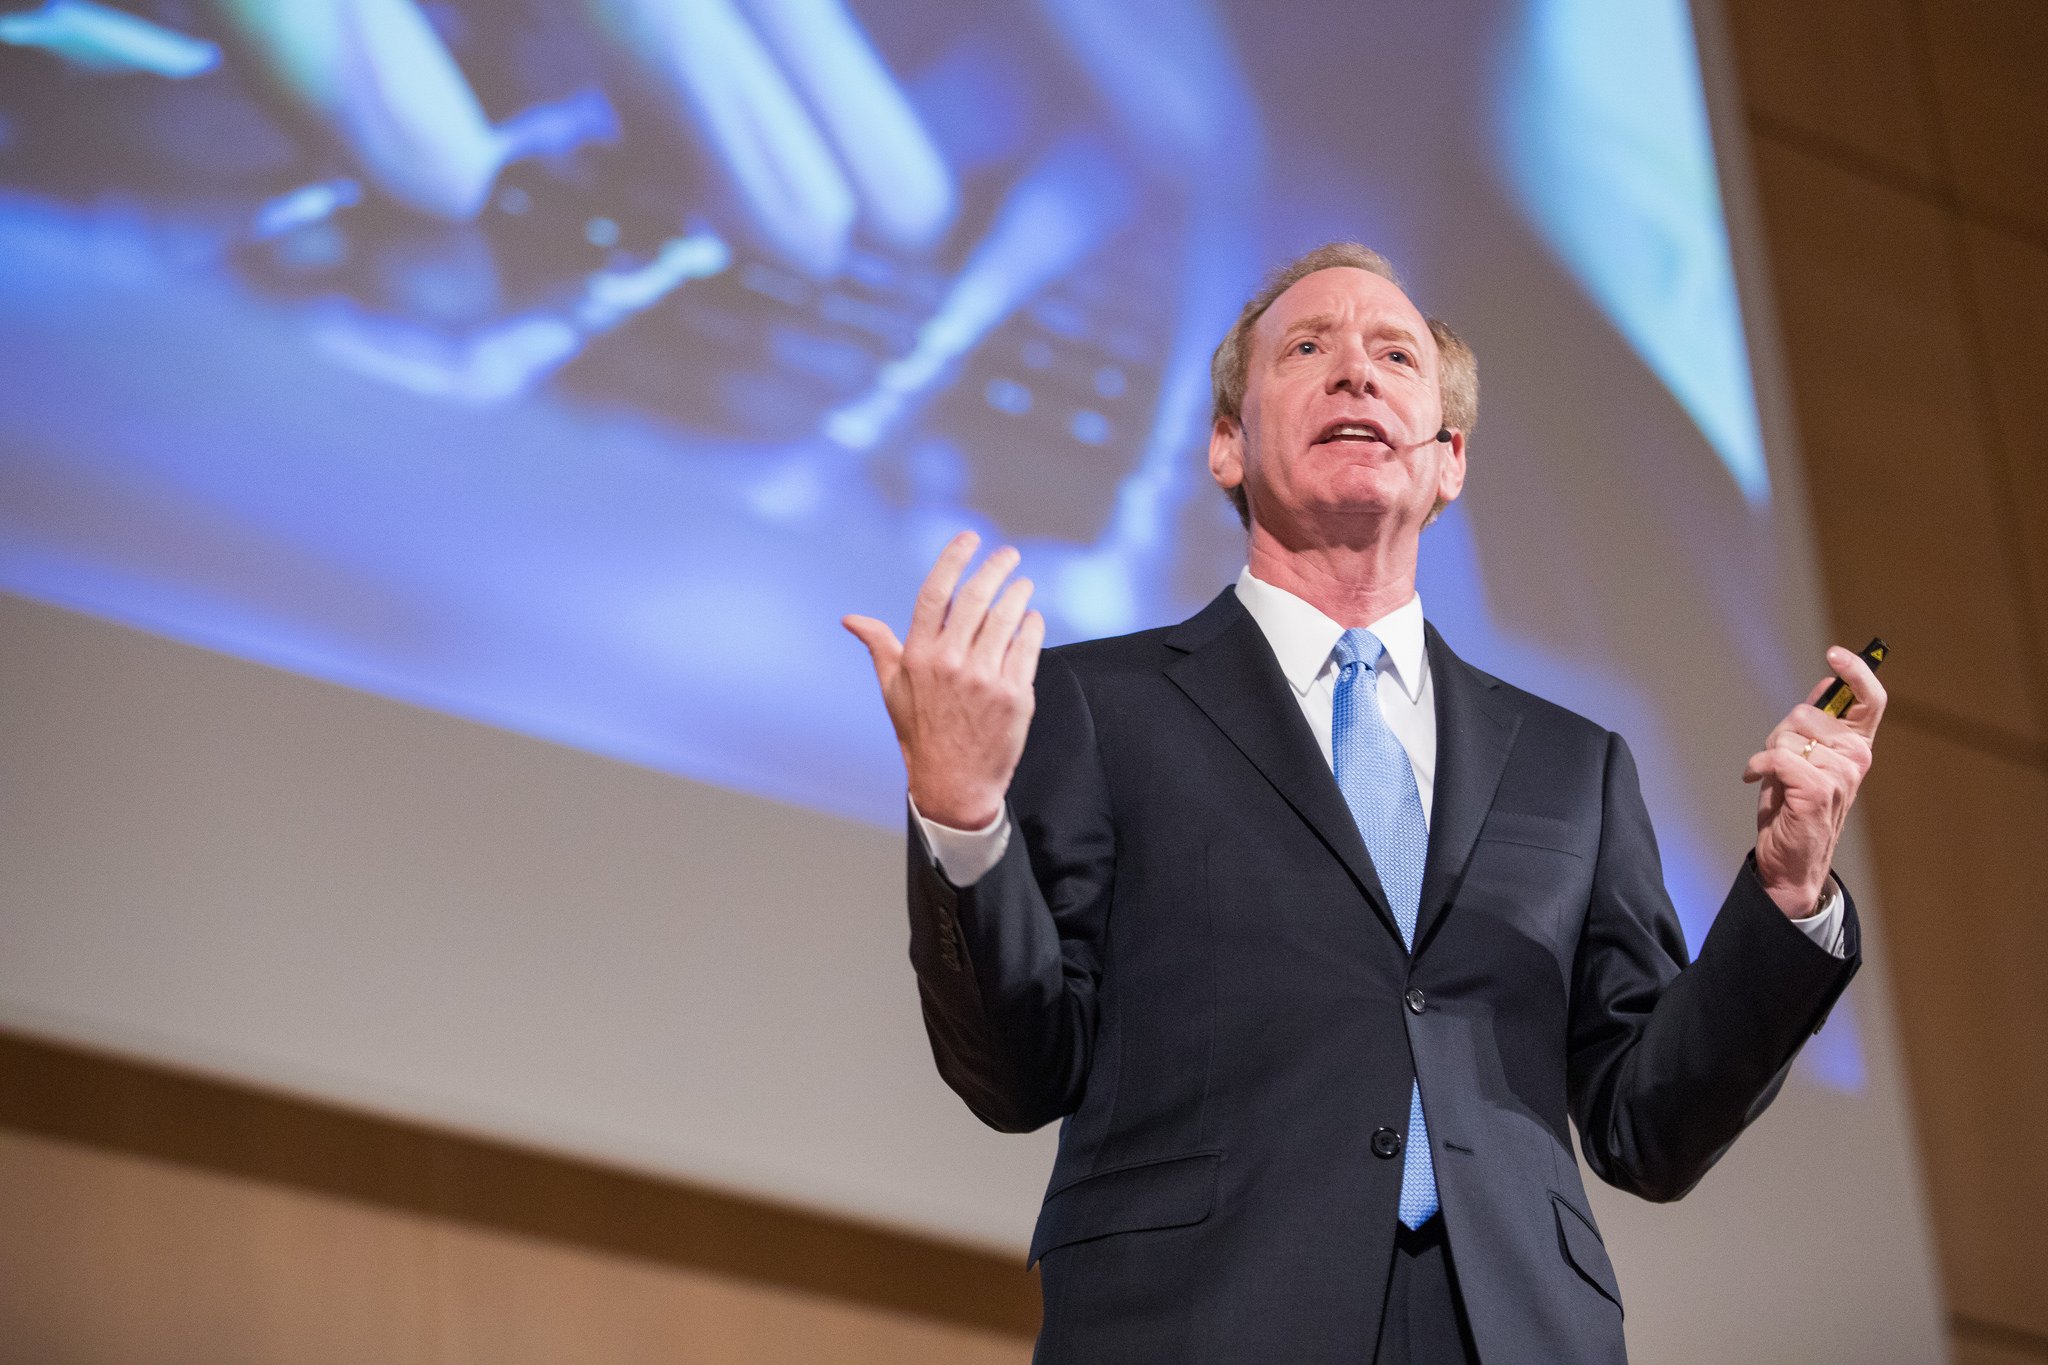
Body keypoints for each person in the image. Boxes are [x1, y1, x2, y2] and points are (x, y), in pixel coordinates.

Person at [843, 242, 1879, 1364]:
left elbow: (1648, 1128)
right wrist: (958, 816)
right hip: (1200, 1319)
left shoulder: (1571, 765)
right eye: (1306, 348)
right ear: (1225, 447)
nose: (1355, 373)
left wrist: (1786, 895)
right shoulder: (1100, 707)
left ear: (1448, 463)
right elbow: (1015, 1071)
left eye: (1394, 354)